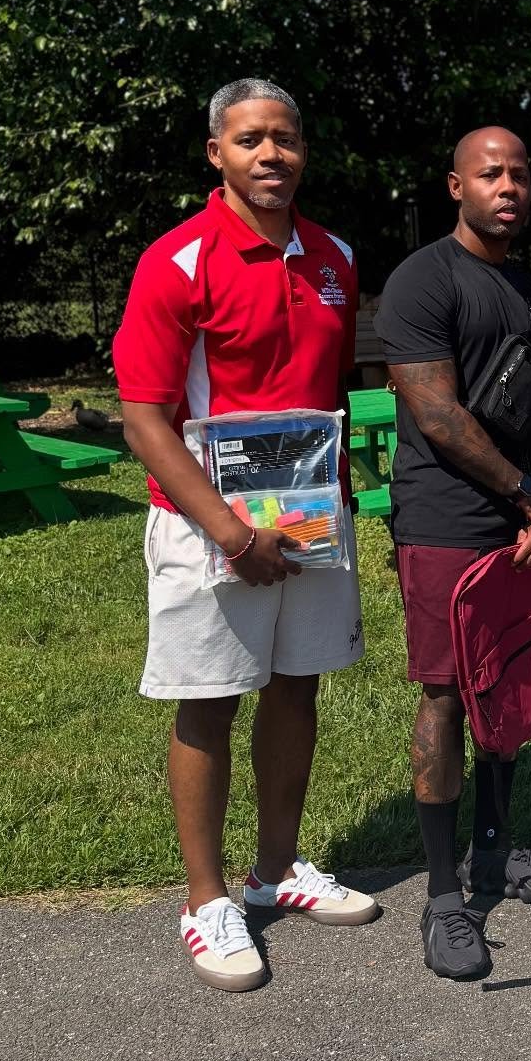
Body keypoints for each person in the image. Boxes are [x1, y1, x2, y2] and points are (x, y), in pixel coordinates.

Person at [114, 79, 375, 994]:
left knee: (295, 687)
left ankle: (274, 872)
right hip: (205, 523)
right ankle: (205, 900)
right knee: (211, 700)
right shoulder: (177, 261)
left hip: (307, 517)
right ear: (216, 155)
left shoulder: (335, 255)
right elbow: (143, 416)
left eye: (286, 138)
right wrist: (230, 532)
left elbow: (325, 395)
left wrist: (328, 509)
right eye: (251, 140)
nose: (272, 155)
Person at [376, 127, 531, 983]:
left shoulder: (530, 288)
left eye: (520, 175)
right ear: (455, 185)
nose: (509, 187)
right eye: (491, 174)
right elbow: (436, 413)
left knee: (508, 679)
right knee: (447, 694)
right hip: (446, 518)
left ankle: (496, 854)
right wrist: (525, 494)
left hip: (520, 519)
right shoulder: (424, 278)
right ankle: (444, 896)